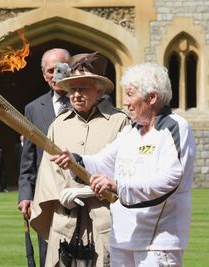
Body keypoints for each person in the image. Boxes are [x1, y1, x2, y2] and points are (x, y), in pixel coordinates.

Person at [52, 63, 196, 267]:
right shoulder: (131, 131)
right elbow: (103, 162)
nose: (125, 102)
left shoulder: (175, 127)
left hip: (158, 241)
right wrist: (76, 160)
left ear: (152, 97)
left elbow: (171, 179)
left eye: (130, 94)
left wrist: (118, 186)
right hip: (122, 238)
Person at [29, 52, 130, 267]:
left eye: (82, 89)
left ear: (99, 90)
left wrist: (89, 190)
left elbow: (125, 171)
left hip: (104, 220)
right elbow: (49, 172)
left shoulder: (120, 122)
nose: (76, 95)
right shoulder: (58, 125)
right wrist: (61, 194)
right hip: (66, 221)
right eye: (72, 89)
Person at [18, 48, 71, 266]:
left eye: (61, 69)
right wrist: (25, 194)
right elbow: (28, 159)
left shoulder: (91, 102)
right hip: (46, 196)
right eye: (50, 70)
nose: (55, 75)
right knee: (49, 258)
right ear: (44, 75)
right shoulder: (33, 109)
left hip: (81, 193)